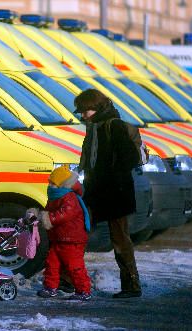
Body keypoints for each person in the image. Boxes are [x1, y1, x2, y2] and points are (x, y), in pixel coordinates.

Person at [75, 88, 142, 299]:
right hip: (97, 190)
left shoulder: (114, 126)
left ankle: (131, 284)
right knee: (78, 231)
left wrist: (112, 175)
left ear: (97, 107)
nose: (83, 115)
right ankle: (70, 279)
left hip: (114, 191)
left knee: (120, 238)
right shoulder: (94, 127)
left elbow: (129, 157)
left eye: (86, 110)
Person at [33, 165, 92, 301]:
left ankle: (84, 290)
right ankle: (50, 287)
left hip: (72, 239)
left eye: (53, 183)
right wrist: (38, 215)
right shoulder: (55, 197)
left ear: (62, 184)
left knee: (75, 266)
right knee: (52, 263)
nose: (50, 185)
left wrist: (47, 218)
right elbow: (49, 211)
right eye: (50, 182)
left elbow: (64, 214)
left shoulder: (69, 197)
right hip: (59, 238)